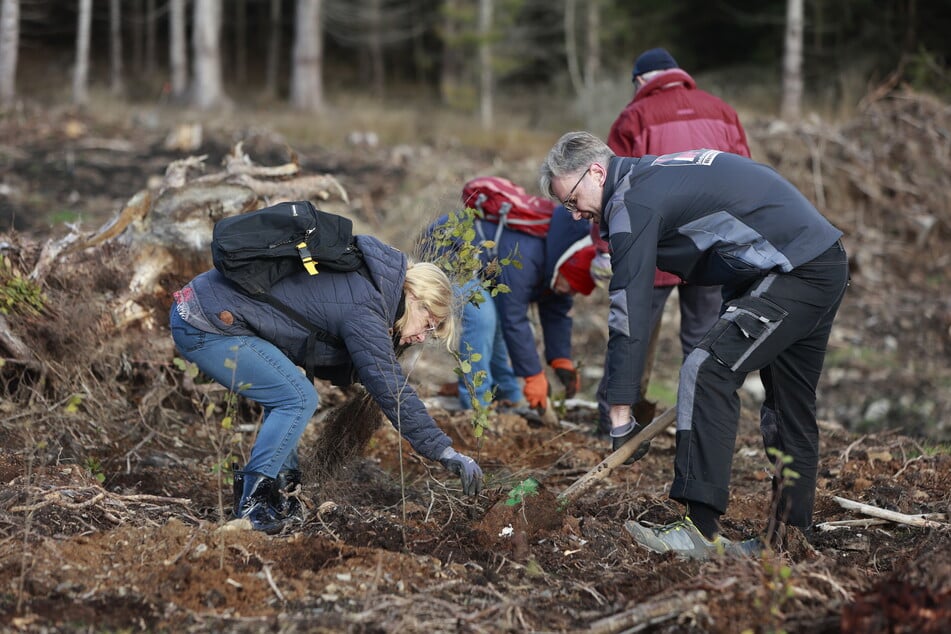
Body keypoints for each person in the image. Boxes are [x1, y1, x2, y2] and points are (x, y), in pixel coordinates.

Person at [540, 132, 849, 558]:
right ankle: (790, 542)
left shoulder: (630, 201)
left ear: (597, 171)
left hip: (795, 270)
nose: (575, 215)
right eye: (567, 208)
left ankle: (699, 530)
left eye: (572, 201)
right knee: (788, 408)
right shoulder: (649, 177)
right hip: (818, 260)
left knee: (705, 369)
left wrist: (620, 410)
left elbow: (629, 306)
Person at [169, 233, 484, 534]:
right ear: (414, 296)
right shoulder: (369, 307)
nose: (422, 336)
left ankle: (282, 493)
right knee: (298, 397)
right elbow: (391, 389)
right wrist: (443, 451)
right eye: (428, 324)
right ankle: (253, 504)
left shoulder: (372, 285)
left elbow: (340, 353)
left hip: (207, 307)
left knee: (288, 388)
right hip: (204, 323)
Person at [591, 47, 752, 437]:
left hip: (653, 248)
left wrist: (603, 247)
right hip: (713, 248)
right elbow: (744, 175)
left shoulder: (634, 116)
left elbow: (609, 188)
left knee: (632, 333)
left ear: (641, 81)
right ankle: (698, 430)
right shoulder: (721, 110)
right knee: (703, 340)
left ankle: (613, 427)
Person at [422, 204, 596, 412]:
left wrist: (561, 358)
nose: (571, 293)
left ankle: (508, 394)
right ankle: (476, 406)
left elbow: (556, 312)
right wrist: (533, 376)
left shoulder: (556, 265)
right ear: (564, 271)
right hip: (447, 247)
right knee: (482, 317)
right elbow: (513, 318)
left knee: (493, 317)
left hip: (479, 265)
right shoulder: (529, 256)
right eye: (571, 287)